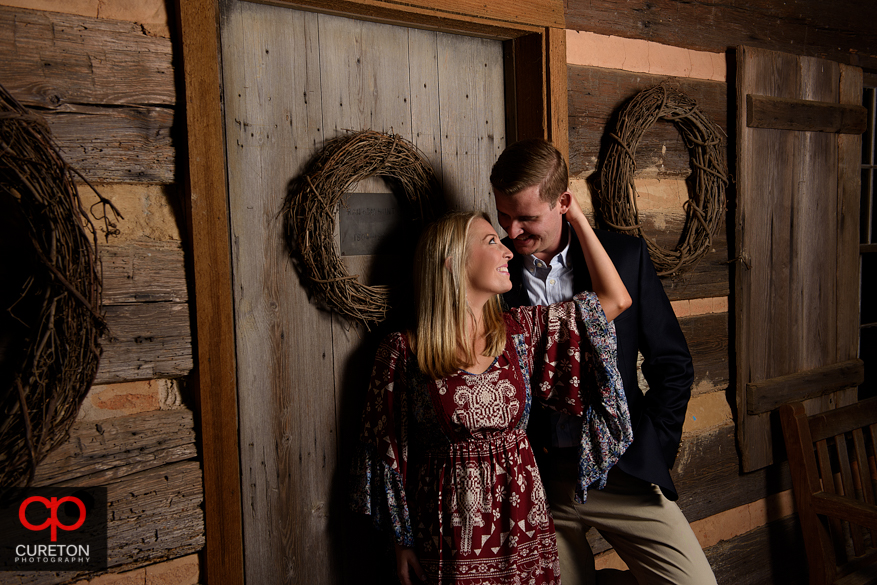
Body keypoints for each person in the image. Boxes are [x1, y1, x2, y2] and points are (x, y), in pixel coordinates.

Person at [349, 199, 633, 585]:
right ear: (452, 260)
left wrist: (576, 217)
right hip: (448, 533)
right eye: (490, 241)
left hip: (525, 525)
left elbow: (615, 301)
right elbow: (386, 455)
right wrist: (402, 542)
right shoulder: (402, 351)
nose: (506, 249)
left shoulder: (520, 330)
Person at [490, 138, 717, 585]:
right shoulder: (494, 268)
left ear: (564, 202)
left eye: (527, 217)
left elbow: (672, 364)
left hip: (623, 471)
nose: (511, 232)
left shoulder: (625, 258)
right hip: (539, 479)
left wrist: (653, 446)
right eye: (503, 215)